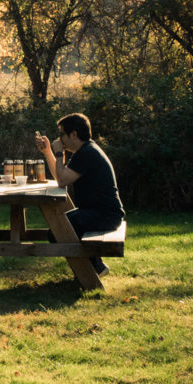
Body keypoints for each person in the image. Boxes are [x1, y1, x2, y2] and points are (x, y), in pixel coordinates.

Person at [35, 112, 125, 276]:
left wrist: (59, 153)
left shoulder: (87, 153)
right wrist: (48, 152)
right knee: (57, 230)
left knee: (58, 231)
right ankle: (95, 266)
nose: (60, 139)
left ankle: (92, 271)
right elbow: (61, 176)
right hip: (101, 213)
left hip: (105, 216)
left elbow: (61, 181)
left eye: (62, 134)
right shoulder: (84, 151)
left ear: (74, 134)